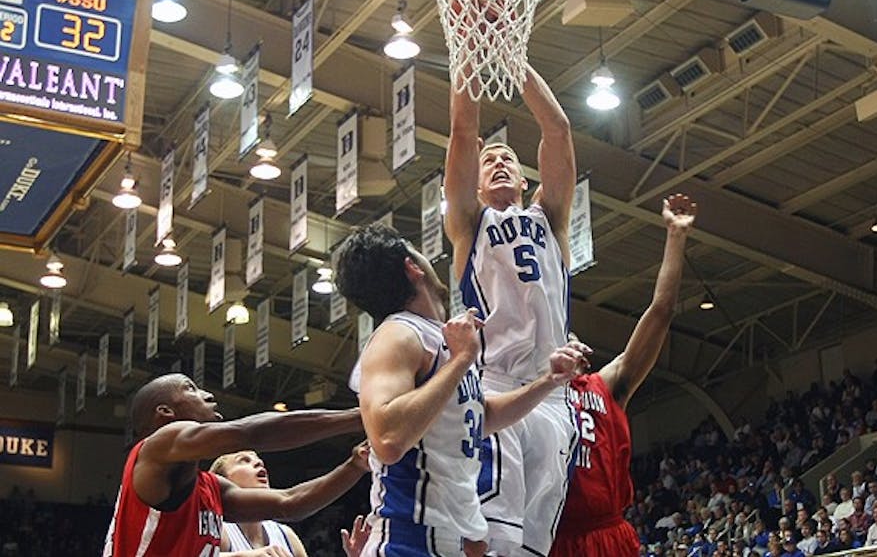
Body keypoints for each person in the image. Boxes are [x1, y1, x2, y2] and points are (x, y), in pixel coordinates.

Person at [334, 223, 589, 557]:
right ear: (412, 267)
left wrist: (547, 381)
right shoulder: (396, 335)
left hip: (451, 539)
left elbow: (480, 417)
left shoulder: (438, 337)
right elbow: (388, 439)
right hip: (408, 540)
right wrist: (463, 358)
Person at [445, 62, 578, 556]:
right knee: (493, 536)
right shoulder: (468, 222)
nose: (499, 162)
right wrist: (472, 56)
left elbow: (558, 129)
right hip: (495, 387)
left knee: (533, 544)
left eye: (508, 159)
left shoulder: (552, 218)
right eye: (489, 160)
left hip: (553, 394)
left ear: (525, 179)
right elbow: (464, 130)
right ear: (476, 184)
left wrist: (512, 60)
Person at [551, 194, 694, 557]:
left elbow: (661, 311)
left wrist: (676, 237)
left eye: (572, 337)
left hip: (608, 533)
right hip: (553, 536)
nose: (570, 342)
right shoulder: (530, 392)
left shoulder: (606, 385)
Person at [102, 374, 364, 557]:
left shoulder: (210, 488)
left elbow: (289, 503)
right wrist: (361, 417)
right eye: (191, 388)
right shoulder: (156, 447)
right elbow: (251, 433)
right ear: (165, 412)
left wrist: (355, 465)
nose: (207, 394)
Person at [210, 446, 369, 557]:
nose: (258, 462)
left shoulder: (285, 535)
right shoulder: (219, 529)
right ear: (223, 480)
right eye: (243, 460)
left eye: (258, 460)